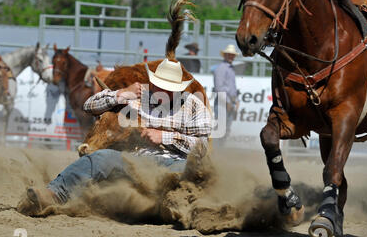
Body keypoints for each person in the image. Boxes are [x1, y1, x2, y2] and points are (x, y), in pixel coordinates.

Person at [17, 58, 213, 216]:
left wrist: (165, 137)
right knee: (99, 159)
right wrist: (120, 94)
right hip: (135, 161)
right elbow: (89, 106)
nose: (161, 89)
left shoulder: (194, 106)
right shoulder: (136, 95)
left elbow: (202, 146)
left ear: (178, 88)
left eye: (168, 87)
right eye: (158, 84)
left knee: (187, 175)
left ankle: (184, 210)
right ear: (152, 82)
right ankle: (53, 194)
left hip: (175, 163)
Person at [213, 44, 240, 146]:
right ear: (225, 55)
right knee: (220, 130)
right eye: (229, 54)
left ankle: (219, 152)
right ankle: (215, 152)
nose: (231, 56)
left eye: (232, 55)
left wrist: (236, 101)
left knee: (225, 130)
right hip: (222, 103)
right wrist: (228, 102)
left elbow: (232, 88)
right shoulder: (221, 68)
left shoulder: (229, 68)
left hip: (228, 103)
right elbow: (219, 88)